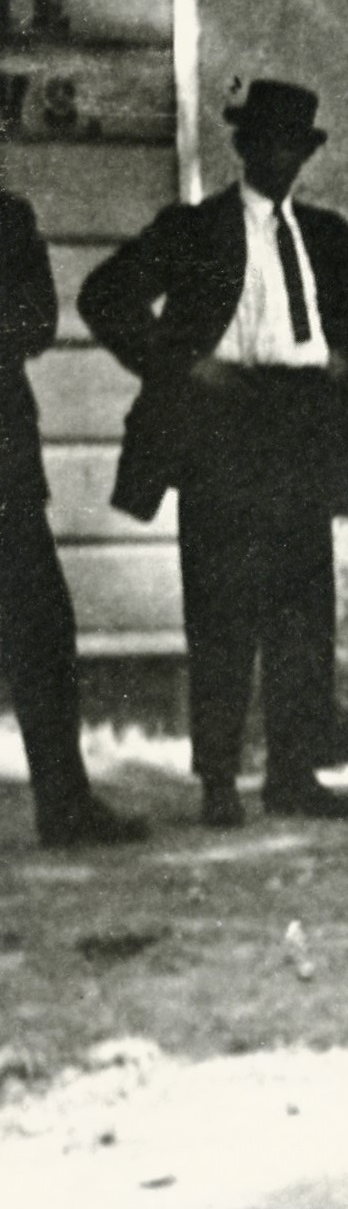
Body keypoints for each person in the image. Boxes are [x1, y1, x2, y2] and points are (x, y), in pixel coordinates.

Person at [81, 81, 348, 828]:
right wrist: (181, 363)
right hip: (222, 426)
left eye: (295, 146)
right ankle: (219, 778)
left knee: (301, 609)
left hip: (300, 425)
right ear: (244, 147)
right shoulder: (194, 230)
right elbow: (104, 294)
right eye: (268, 144)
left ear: (304, 154)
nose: (281, 158)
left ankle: (294, 772)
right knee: (221, 607)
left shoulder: (321, 234)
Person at [0, 178, 143, 848]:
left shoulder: (9, 216)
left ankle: (64, 804)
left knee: (42, 631)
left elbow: (36, 323)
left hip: (5, 466)